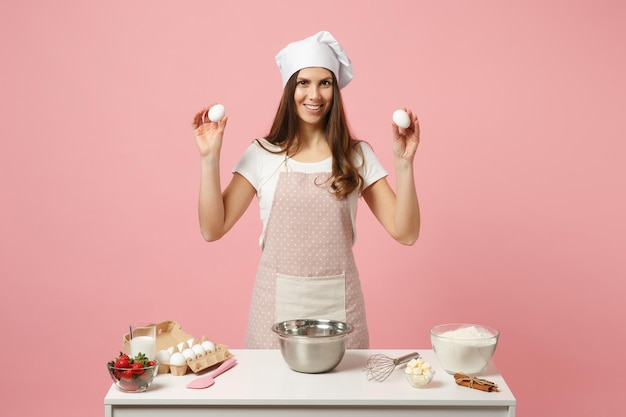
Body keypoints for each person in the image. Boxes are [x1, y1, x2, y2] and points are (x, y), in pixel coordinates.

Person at [191, 31, 420, 349]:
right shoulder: (261, 154)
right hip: (274, 312)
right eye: (304, 83)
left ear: (335, 90)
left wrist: (404, 163)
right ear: (290, 89)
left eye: (325, 83)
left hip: (341, 312)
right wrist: (209, 158)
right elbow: (212, 229)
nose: (315, 95)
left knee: (342, 398)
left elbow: (406, 232)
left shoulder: (357, 155)